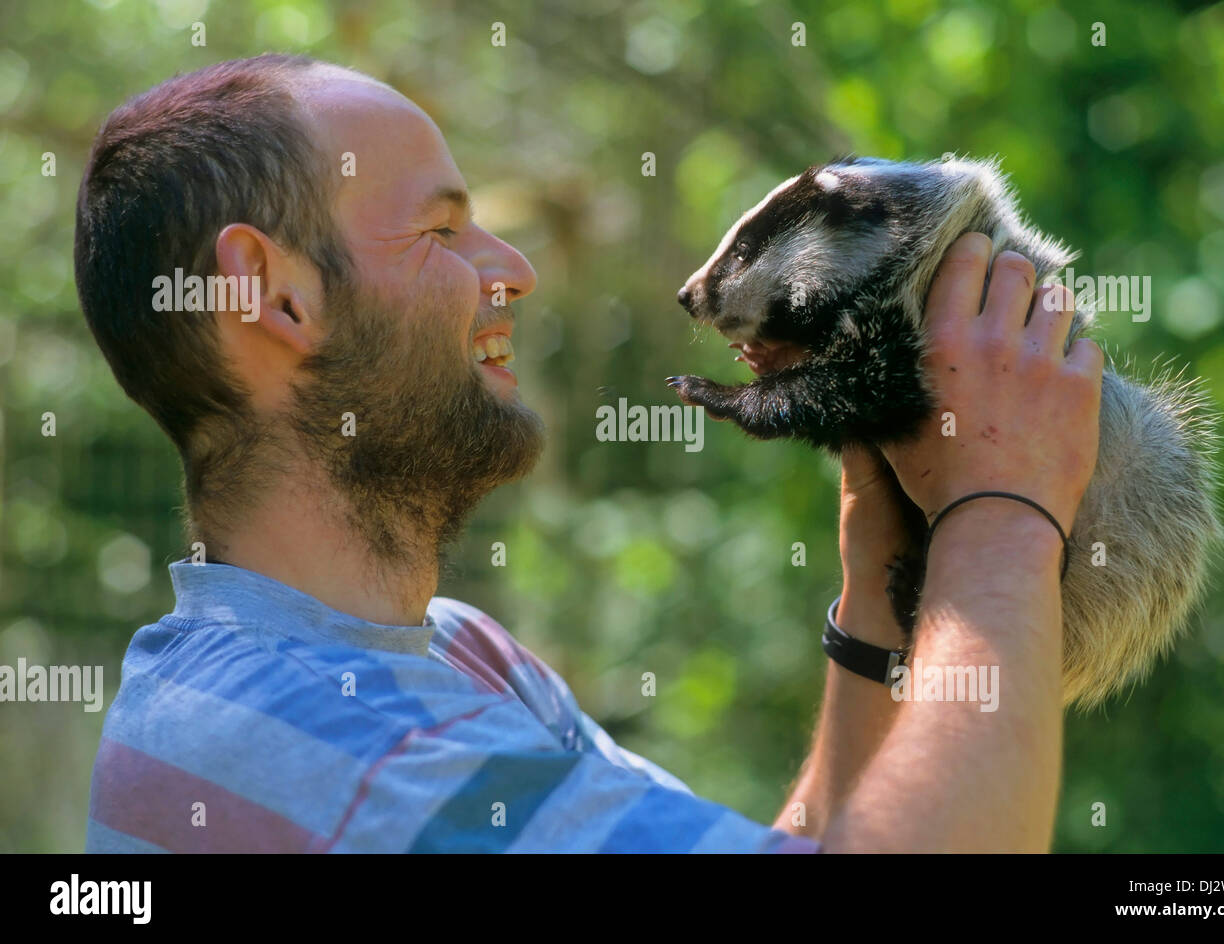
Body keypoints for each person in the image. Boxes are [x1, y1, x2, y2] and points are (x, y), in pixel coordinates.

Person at [76, 55, 1103, 853]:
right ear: (275, 295)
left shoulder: (451, 655)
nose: (512, 269)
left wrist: (880, 574)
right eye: (442, 232)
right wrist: (1005, 510)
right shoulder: (325, 742)